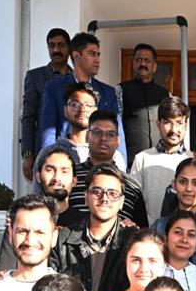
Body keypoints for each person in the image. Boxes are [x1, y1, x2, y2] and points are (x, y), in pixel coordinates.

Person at [52, 163, 137, 291]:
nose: (105, 198)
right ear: (86, 197)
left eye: (113, 193)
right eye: (97, 191)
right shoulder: (63, 239)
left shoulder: (133, 242)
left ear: (121, 202)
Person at [39, 31, 126, 161]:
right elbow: (48, 131)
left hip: (100, 162)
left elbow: (117, 132)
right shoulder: (54, 88)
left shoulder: (108, 92)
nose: (97, 59)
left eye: (98, 54)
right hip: (65, 160)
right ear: (76, 55)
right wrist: (48, 161)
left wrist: (121, 164)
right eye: (92, 54)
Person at [0, 142, 79, 273]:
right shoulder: (21, 219)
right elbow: (3, 273)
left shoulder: (83, 224)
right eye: (50, 170)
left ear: (74, 181)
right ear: (38, 177)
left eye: (64, 171)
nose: (57, 177)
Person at [68, 110, 149, 228]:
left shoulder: (132, 186)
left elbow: (142, 231)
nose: (103, 138)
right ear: (87, 136)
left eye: (110, 134)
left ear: (118, 141)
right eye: (97, 132)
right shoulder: (70, 177)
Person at [151, 158, 196, 275]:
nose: (188, 189)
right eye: (183, 182)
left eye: (195, 183)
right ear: (174, 184)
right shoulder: (159, 227)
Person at [130, 96, 193, 224]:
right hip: (149, 233)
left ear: (186, 125)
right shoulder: (142, 159)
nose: (174, 130)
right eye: (168, 122)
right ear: (158, 124)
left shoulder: (192, 160)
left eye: (179, 123)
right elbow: (133, 201)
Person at [20, 28, 72, 182]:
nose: (56, 50)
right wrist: (28, 154)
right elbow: (28, 117)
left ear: (69, 48)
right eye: (52, 45)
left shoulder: (76, 79)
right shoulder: (34, 77)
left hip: (71, 149)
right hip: (43, 149)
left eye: (61, 45)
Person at [116, 43, 170, 166]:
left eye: (147, 60)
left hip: (159, 160)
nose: (143, 64)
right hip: (130, 161)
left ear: (154, 66)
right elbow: (116, 123)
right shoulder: (121, 90)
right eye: (139, 60)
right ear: (133, 64)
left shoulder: (164, 94)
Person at [55, 81, 126, 170]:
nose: (82, 110)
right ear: (65, 110)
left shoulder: (113, 155)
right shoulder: (51, 152)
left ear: (95, 110)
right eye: (75, 105)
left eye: (88, 105)